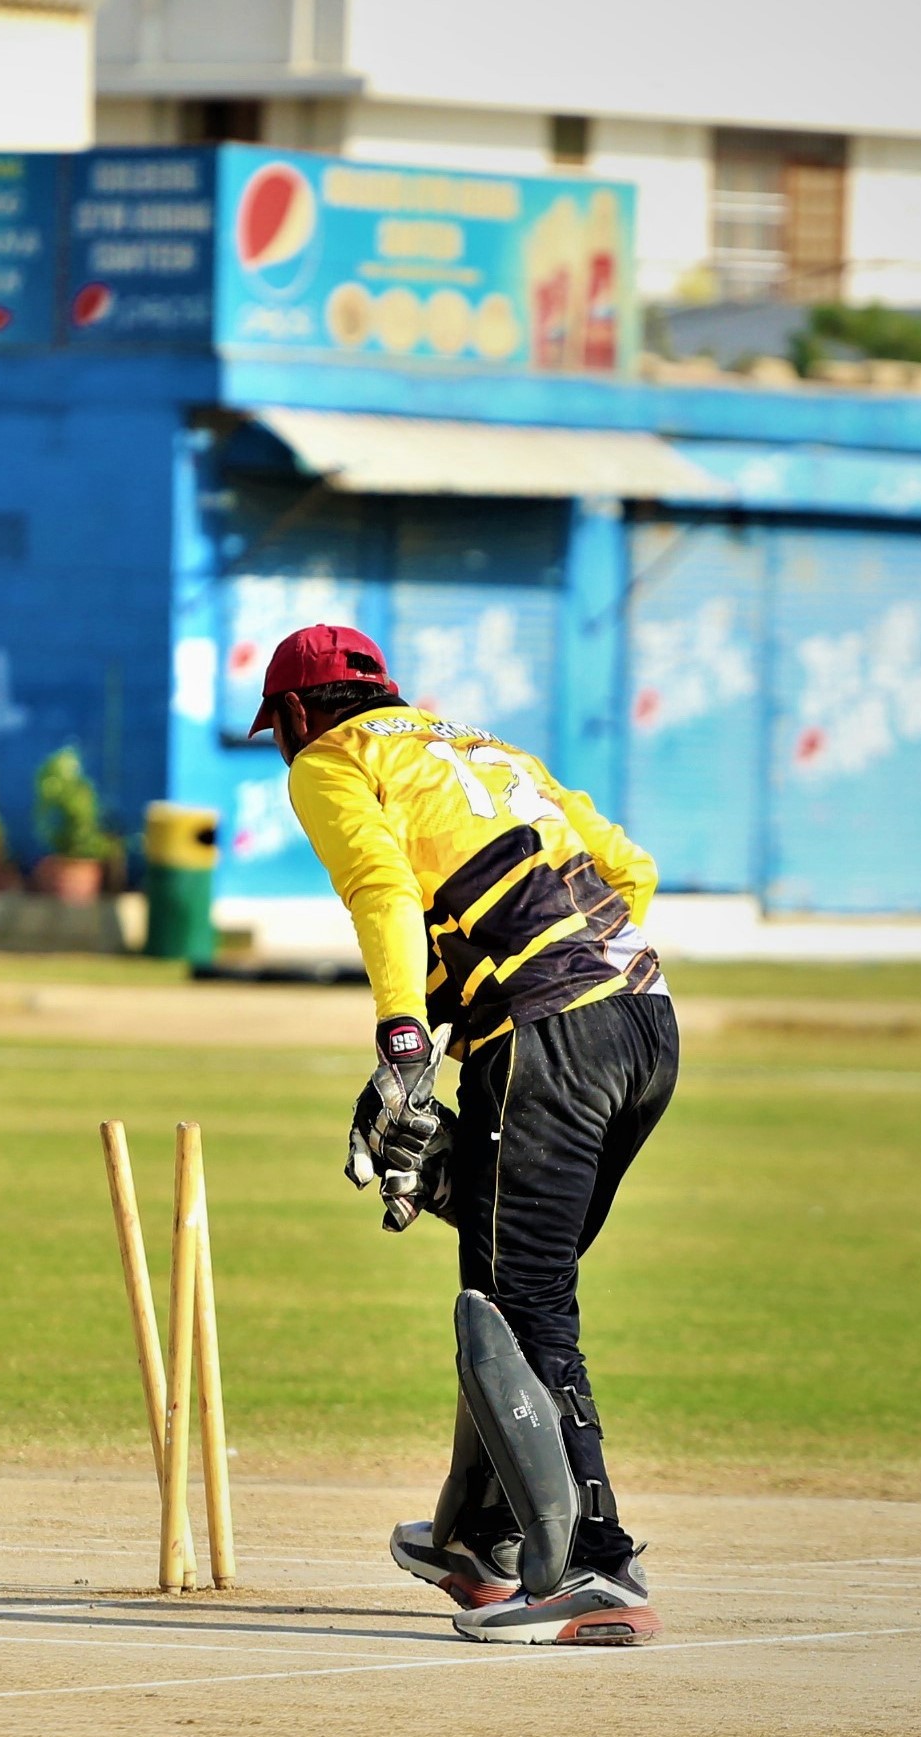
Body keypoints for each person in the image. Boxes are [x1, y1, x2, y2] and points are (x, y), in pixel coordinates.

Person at [253, 623, 677, 1646]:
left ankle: (593, 1563)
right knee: (501, 1269)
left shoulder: (331, 757)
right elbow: (629, 868)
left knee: (522, 1300)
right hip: (645, 1024)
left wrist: (406, 1040)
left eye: (281, 730)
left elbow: (381, 887)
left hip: (547, 1039)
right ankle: (482, 1537)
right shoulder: (486, 747)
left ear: (298, 713)